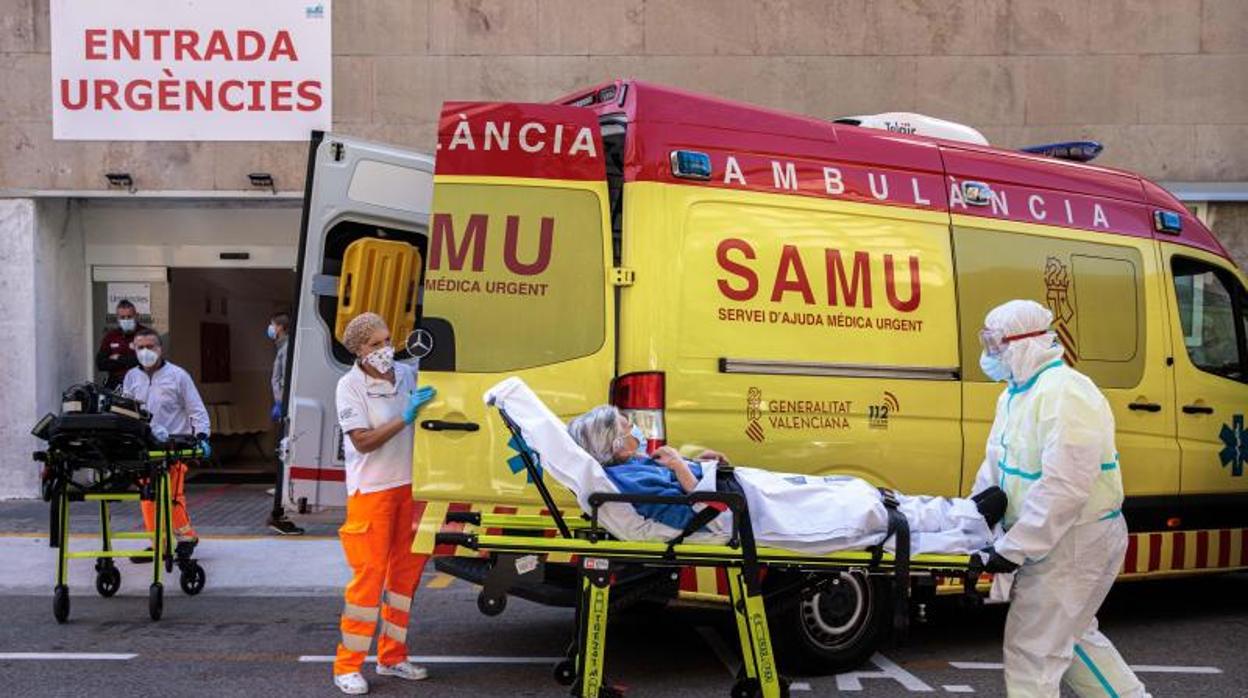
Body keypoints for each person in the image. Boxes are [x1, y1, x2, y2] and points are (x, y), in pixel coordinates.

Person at [970, 299, 1148, 697]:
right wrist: (977, 511)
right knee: (1074, 640)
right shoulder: (1015, 395)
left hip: (1074, 542)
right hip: (1052, 541)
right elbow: (996, 463)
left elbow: (1065, 487)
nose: (989, 354)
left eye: (996, 344)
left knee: (1032, 653)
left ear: (1026, 343)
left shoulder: (1067, 394)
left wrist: (1015, 547)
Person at [567, 405, 1008, 556]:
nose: (635, 430)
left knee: (856, 492)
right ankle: (973, 534)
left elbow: (693, 497)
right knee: (864, 519)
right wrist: (685, 470)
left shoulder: (634, 468)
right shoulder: (625, 482)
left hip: (745, 494)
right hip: (747, 514)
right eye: (626, 427)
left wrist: (704, 465)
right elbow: (695, 514)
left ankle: (964, 511)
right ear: (613, 444)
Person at [331, 312, 436, 695]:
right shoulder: (349, 386)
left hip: (410, 489)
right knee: (368, 582)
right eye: (375, 344)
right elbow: (361, 441)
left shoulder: (407, 375)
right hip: (371, 494)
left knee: (404, 579)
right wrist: (406, 417)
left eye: (387, 340)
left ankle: (392, 657)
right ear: (359, 350)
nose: (385, 349)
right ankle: (347, 665)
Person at [121, 328, 211, 558]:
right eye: (140, 347)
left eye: (150, 346)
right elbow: (125, 411)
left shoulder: (178, 376)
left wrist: (202, 436)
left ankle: (186, 538)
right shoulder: (131, 377)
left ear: (160, 349)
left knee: (172, 496)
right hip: (145, 446)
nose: (146, 351)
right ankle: (157, 544)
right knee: (148, 497)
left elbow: (196, 409)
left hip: (173, 445)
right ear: (134, 349)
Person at [265, 312, 304, 536]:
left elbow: (284, 378)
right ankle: (280, 507)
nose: (270, 329)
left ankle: (281, 505)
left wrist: (282, 402)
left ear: (279, 327)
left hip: (286, 406)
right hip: (283, 405)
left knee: (286, 451)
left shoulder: (287, 347)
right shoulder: (283, 346)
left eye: (271, 324)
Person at [96, 299, 147, 390]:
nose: (126, 320)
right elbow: (101, 363)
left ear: (136, 316)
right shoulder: (111, 336)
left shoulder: (146, 335)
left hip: (140, 385)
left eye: (129, 317)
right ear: (117, 319)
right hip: (115, 385)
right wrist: (130, 361)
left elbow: (146, 361)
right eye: (122, 317)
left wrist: (118, 358)